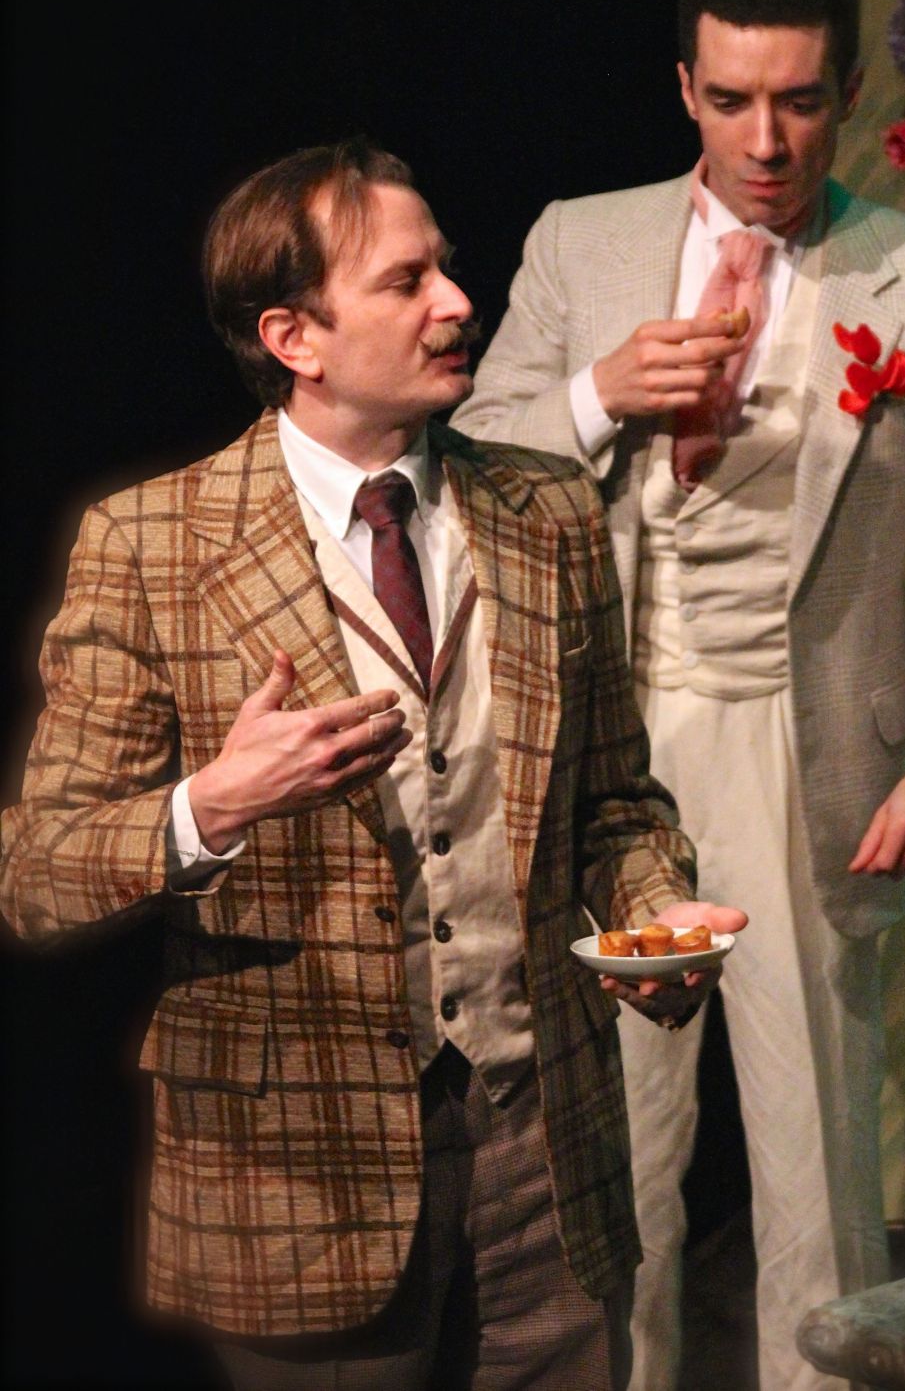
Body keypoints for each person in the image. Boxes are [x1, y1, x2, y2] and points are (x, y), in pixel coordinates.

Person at [0, 138, 748, 1391]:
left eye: (445, 267)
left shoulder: (549, 512)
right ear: (293, 336)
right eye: (407, 281)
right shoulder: (151, 542)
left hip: (542, 1152)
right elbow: (35, 874)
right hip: (300, 1171)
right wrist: (210, 805)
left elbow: (614, 802)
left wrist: (656, 909)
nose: (457, 302)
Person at [452, 0, 905, 1391]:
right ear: (684, 88)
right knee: (621, 1152)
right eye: (730, 101)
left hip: (808, 746)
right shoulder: (580, 242)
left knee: (818, 1159)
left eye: (796, 102)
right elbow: (470, 460)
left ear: (846, 94)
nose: (764, 141)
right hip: (615, 753)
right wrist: (597, 395)